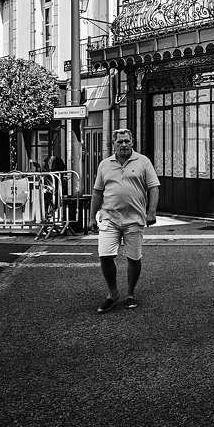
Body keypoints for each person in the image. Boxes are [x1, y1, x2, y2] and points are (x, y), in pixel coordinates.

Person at [89, 128, 159, 314]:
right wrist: (91, 217)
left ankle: (130, 294)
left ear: (132, 142)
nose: (124, 145)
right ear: (114, 144)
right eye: (120, 142)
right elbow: (97, 192)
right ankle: (112, 294)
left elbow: (153, 188)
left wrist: (151, 212)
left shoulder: (143, 161)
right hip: (109, 218)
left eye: (127, 141)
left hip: (134, 219)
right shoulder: (105, 164)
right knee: (105, 256)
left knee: (134, 258)